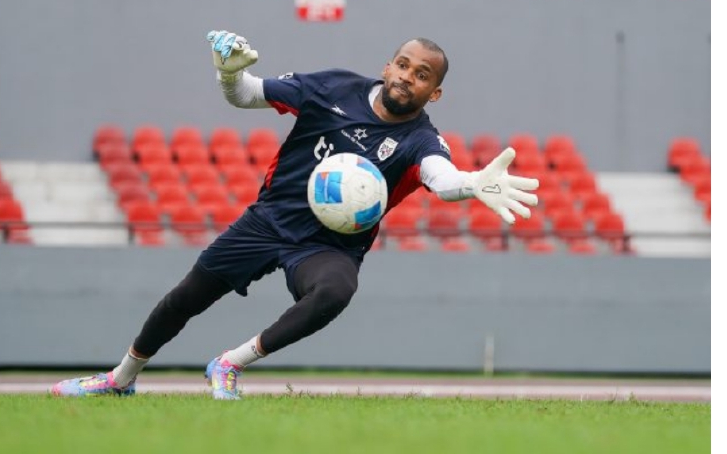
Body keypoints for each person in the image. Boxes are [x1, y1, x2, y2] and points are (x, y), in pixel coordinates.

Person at [51, 30, 539, 400]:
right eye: (403, 66)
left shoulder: (421, 140)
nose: (407, 78)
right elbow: (246, 93)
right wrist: (228, 71)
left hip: (329, 246)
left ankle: (229, 363)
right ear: (387, 66)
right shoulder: (332, 87)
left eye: (422, 76)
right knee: (184, 299)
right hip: (267, 222)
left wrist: (473, 183)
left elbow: (442, 178)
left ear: (434, 94)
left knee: (335, 292)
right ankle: (120, 379)